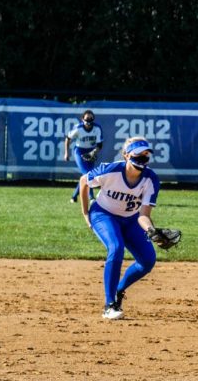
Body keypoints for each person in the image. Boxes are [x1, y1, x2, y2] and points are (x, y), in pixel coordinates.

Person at [78, 137, 161, 320]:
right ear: (126, 155)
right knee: (116, 248)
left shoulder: (151, 179)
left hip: (131, 220)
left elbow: (144, 215)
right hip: (103, 214)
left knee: (147, 260)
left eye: (146, 156)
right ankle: (109, 305)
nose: (142, 159)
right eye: (138, 155)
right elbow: (84, 181)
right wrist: (86, 213)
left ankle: (119, 290)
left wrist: (151, 231)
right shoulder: (111, 169)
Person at [64, 109, 104, 203]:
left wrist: (93, 152)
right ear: (82, 119)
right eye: (86, 119)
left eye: (91, 120)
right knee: (87, 174)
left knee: (86, 174)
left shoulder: (97, 128)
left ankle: (74, 196)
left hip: (91, 151)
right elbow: (68, 138)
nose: (88, 122)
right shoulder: (78, 128)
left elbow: (99, 145)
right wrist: (66, 152)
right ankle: (91, 197)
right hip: (80, 151)